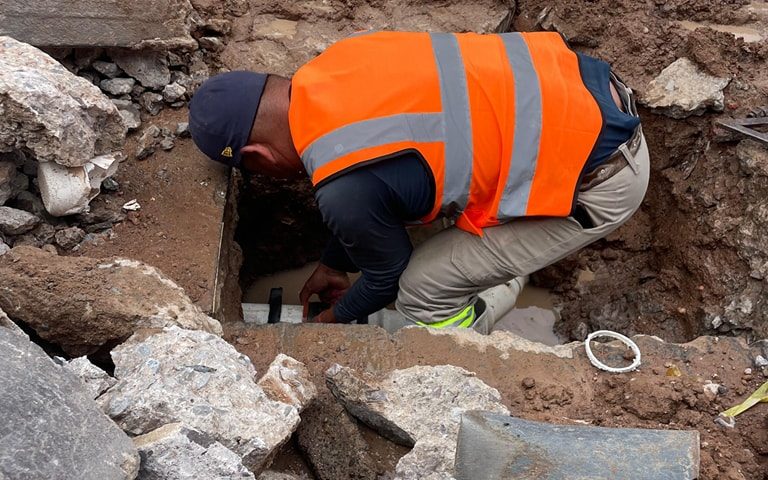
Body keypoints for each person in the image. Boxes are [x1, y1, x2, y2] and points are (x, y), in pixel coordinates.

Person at [188, 31, 649, 333]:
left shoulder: (343, 190)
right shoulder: (339, 62)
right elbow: (372, 194)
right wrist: (334, 262)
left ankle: (472, 331)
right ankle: (502, 259)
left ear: (257, 157)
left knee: (421, 291)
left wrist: (334, 319)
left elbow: (387, 277)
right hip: (588, 93)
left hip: (600, 178)